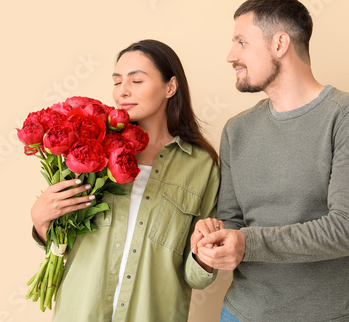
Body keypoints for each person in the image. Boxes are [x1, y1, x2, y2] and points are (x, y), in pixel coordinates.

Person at [191, 0, 349, 322]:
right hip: (239, 313)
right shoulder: (237, 129)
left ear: (280, 43)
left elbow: (348, 229)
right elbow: (234, 221)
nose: (230, 56)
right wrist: (214, 236)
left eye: (241, 42)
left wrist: (245, 243)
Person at [30, 39, 222, 321]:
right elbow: (65, 245)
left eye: (136, 80)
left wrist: (205, 255)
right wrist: (41, 220)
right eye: (117, 81)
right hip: (81, 311)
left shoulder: (201, 165)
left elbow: (196, 277)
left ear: (170, 87)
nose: (123, 92)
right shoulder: (91, 149)